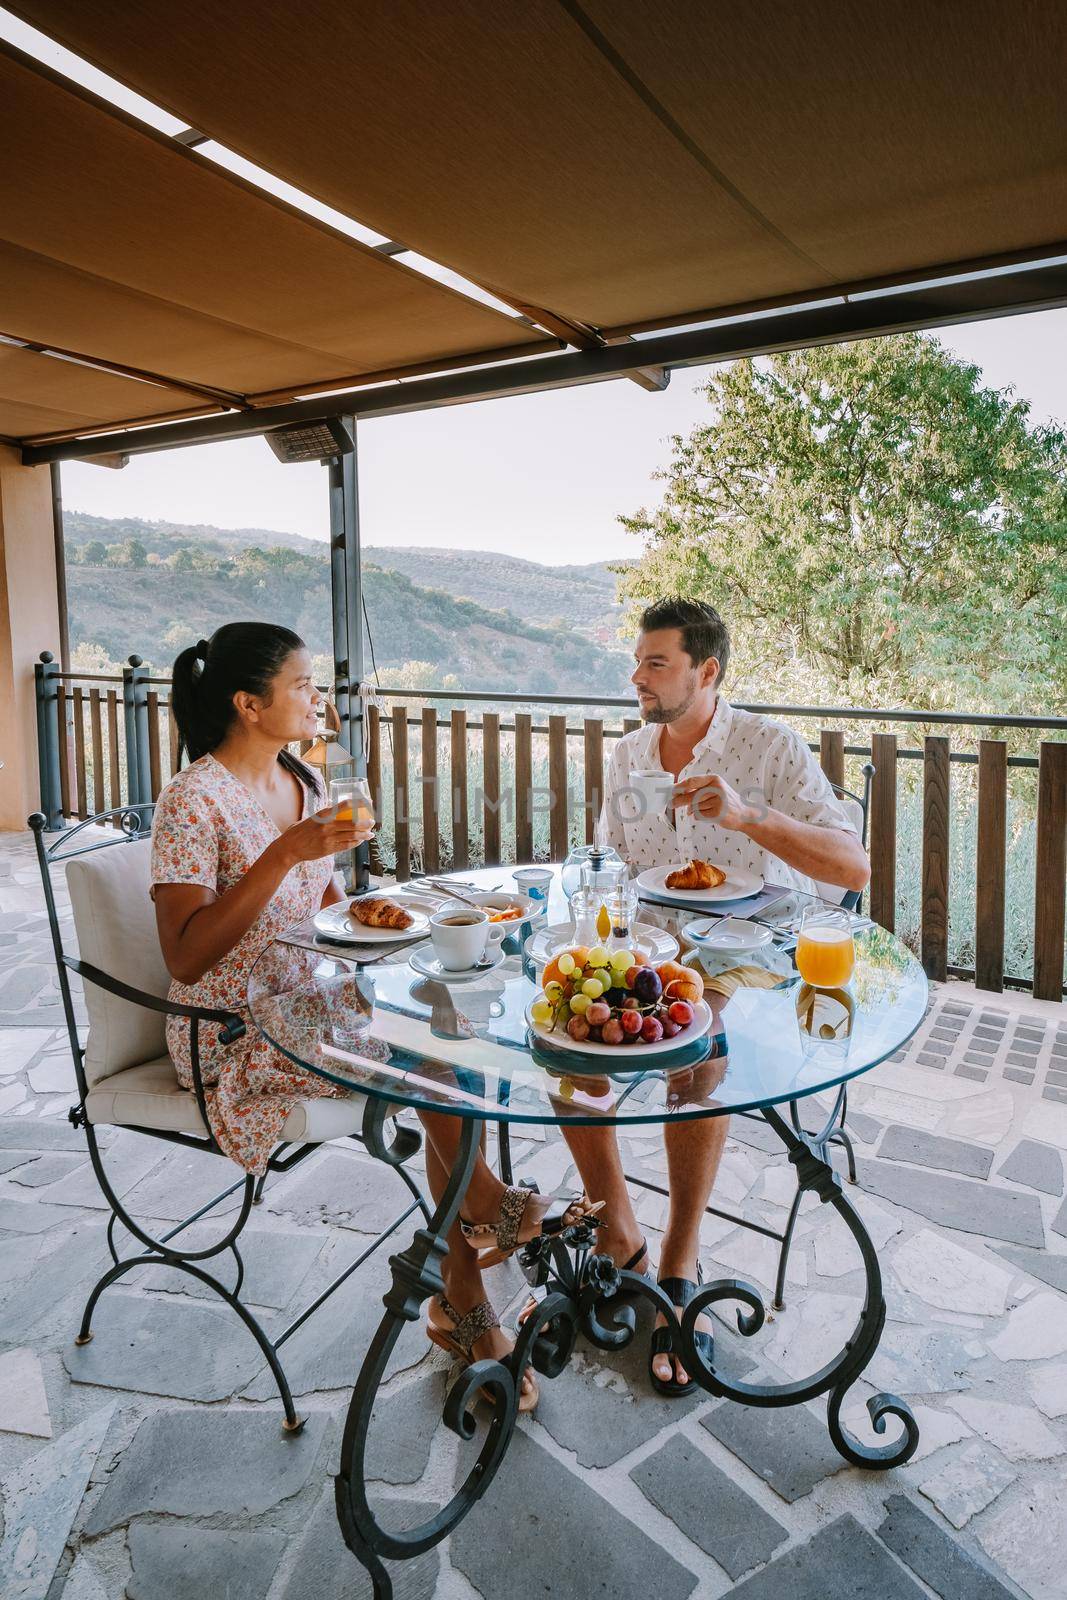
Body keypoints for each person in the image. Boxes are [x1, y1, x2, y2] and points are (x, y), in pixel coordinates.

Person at [151, 622, 592, 1412]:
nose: (318, 699)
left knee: (449, 1021)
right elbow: (185, 958)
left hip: (311, 998)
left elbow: (323, 910)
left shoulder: (305, 783)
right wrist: (283, 854)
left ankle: (466, 1289)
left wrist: (377, 918)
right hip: (229, 1028)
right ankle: (482, 1231)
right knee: (427, 1054)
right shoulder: (193, 799)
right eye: (302, 686)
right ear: (250, 704)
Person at [549, 598, 870, 1394]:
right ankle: (617, 1231)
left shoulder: (769, 746)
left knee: (698, 1047)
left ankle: (678, 1258)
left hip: (755, 951)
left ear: (707, 671)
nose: (637, 677)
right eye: (638, 661)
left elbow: (851, 868)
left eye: (655, 663)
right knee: (568, 1038)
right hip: (654, 943)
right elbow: (614, 867)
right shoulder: (629, 753)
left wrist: (747, 815)